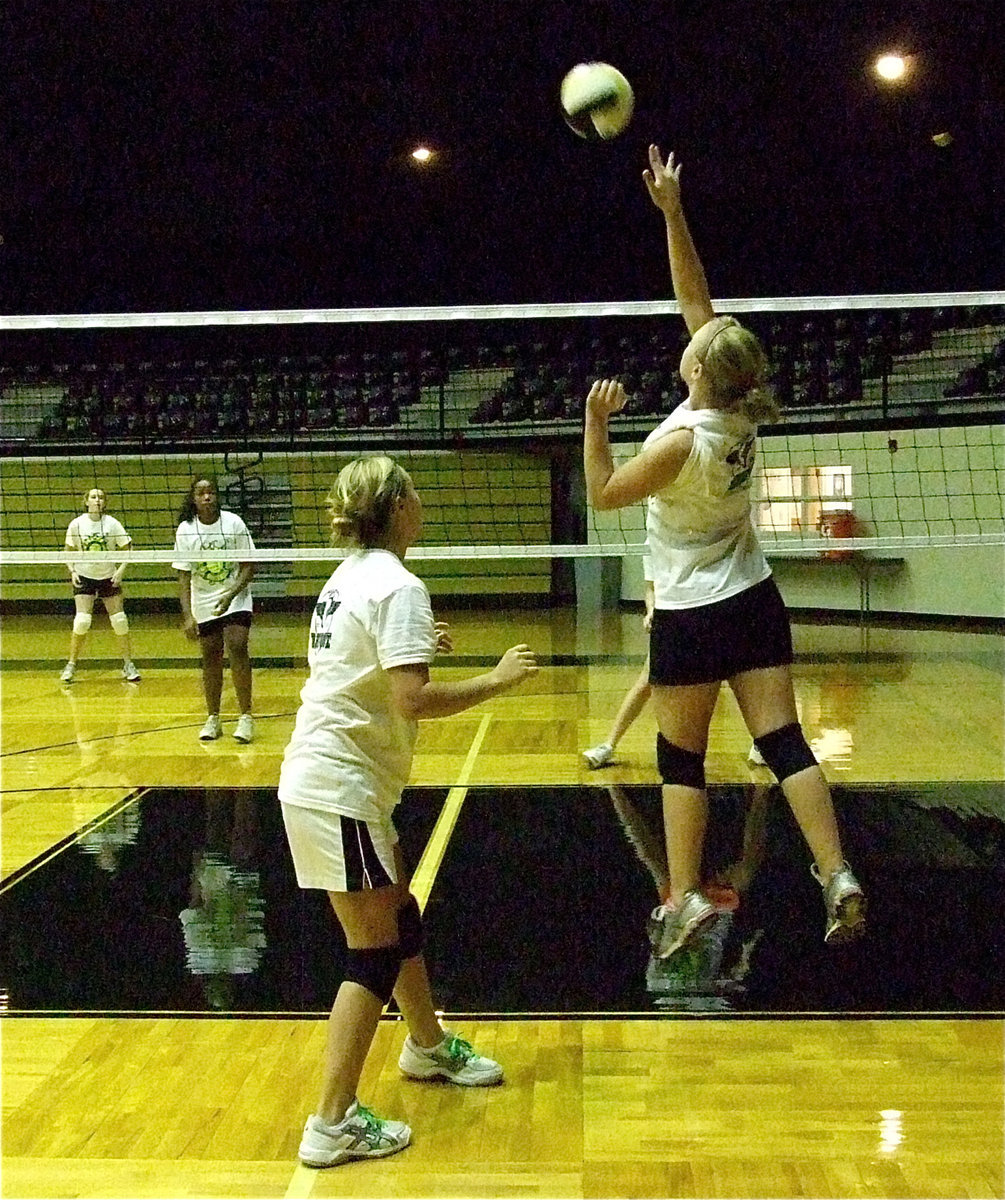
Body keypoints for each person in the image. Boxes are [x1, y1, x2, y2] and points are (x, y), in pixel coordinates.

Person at [582, 144, 865, 958]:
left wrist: (597, 422)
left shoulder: (680, 441)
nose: (693, 332)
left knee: (680, 759)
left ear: (699, 369)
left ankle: (685, 902)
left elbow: (602, 494)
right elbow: (698, 302)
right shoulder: (737, 411)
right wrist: (672, 213)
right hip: (752, 596)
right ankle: (836, 872)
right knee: (783, 744)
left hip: (690, 610)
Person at [278, 454, 537, 1169]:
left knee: (398, 919)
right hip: (340, 788)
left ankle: (426, 1046)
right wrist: (496, 680)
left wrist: (418, 645)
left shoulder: (349, 578)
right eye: (413, 491)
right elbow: (412, 700)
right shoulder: (398, 584)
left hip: (329, 781)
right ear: (397, 510)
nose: (421, 499)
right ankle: (330, 1123)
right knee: (372, 950)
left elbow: (362, 663)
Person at [172, 476, 256, 743]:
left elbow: (249, 565)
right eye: (201, 493)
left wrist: (231, 595)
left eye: (211, 492)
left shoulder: (234, 524)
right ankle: (214, 718)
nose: (206, 497)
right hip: (204, 600)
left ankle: (245, 717)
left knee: (238, 643)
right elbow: (183, 576)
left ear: (217, 496)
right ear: (193, 499)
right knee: (210, 654)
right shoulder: (186, 530)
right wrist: (187, 615)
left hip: (235, 596)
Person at [61, 487, 141, 683]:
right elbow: (67, 551)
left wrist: (120, 570)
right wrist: (72, 571)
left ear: (105, 502)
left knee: (120, 620)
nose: (97, 500)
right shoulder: (77, 524)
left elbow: (128, 548)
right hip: (84, 576)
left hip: (108, 576)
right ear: (86, 501)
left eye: (101, 497)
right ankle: (71, 665)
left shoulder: (112, 524)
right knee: (82, 621)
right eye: (93, 497)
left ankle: (128, 664)